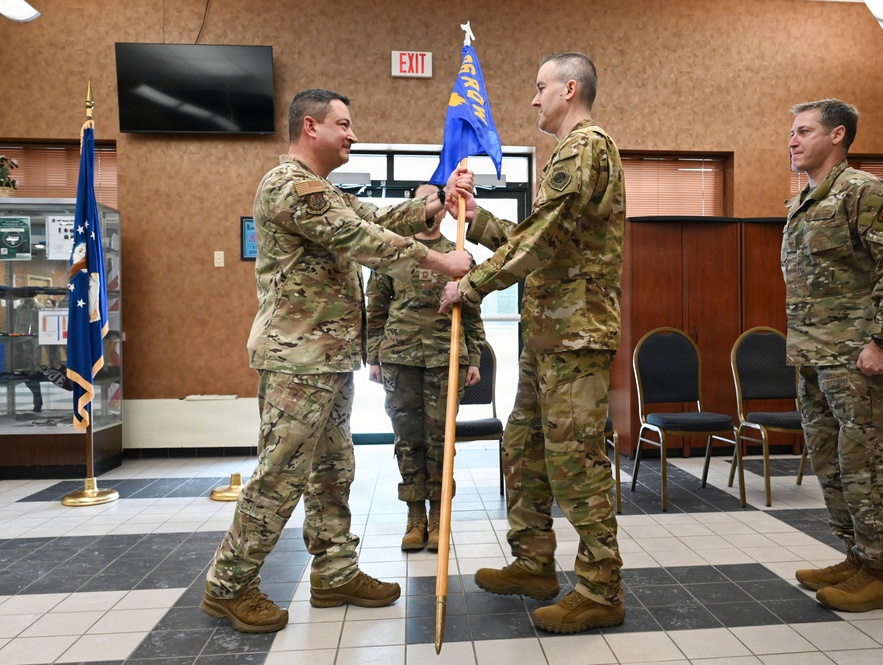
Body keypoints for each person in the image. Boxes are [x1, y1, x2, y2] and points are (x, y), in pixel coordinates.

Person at [201, 89, 473, 634]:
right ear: (311, 126)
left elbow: (376, 214)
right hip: (297, 359)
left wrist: (436, 202)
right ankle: (228, 585)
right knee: (280, 474)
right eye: (343, 124)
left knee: (331, 471)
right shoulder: (291, 186)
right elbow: (363, 237)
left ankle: (334, 571)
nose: (352, 134)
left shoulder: (323, 189)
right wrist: (444, 260)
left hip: (327, 359)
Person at [439, 52, 626, 634]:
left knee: (577, 462)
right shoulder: (565, 155)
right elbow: (534, 235)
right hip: (549, 336)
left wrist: (470, 285)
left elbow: (541, 240)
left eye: (540, 87)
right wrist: (471, 213)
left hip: (577, 334)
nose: (532, 98)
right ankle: (534, 562)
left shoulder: (587, 146)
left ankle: (600, 588)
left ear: (570, 90)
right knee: (524, 452)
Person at [783, 98, 883, 612]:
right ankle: (855, 556)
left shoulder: (863, 192)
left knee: (864, 463)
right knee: (830, 459)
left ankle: (881, 573)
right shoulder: (807, 200)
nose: (793, 140)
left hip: (857, 358)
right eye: (792, 132)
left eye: (804, 131)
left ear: (838, 135)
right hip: (814, 356)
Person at [366, 182, 486, 553]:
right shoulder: (393, 253)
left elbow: (472, 313)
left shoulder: (458, 255)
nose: (428, 208)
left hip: (445, 360)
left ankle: (438, 516)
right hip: (399, 359)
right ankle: (414, 515)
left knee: (441, 441)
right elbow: (375, 309)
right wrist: (373, 357)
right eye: (421, 203)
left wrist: (475, 357)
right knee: (407, 440)